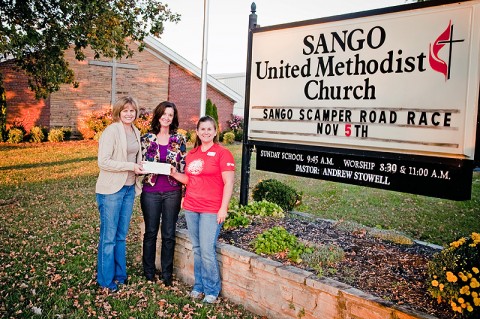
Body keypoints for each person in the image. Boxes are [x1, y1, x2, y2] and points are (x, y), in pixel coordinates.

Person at [170, 115, 235, 303]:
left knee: (207, 250)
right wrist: (175, 174)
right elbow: (190, 180)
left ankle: (212, 290)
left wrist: (223, 208)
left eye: (209, 129)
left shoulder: (223, 153)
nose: (206, 132)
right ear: (197, 132)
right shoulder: (192, 154)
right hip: (191, 207)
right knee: (198, 249)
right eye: (202, 129)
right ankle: (199, 286)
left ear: (215, 132)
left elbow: (229, 182)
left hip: (211, 209)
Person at [95, 96, 144, 291]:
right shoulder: (111, 131)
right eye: (125, 110)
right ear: (118, 112)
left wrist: (141, 167)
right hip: (111, 191)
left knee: (121, 235)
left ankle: (120, 275)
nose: (129, 114)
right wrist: (130, 166)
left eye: (132, 110)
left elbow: (136, 157)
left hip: (129, 188)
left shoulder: (136, 131)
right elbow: (103, 162)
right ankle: (106, 280)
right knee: (108, 237)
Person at [140, 101, 186, 286]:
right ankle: (149, 272)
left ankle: (167, 274)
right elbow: (139, 163)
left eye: (171, 115)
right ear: (158, 115)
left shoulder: (179, 140)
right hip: (150, 191)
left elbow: (183, 167)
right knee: (150, 233)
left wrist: (184, 192)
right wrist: (143, 168)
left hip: (172, 192)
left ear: (173, 118)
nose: (167, 118)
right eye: (164, 114)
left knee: (168, 234)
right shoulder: (146, 139)